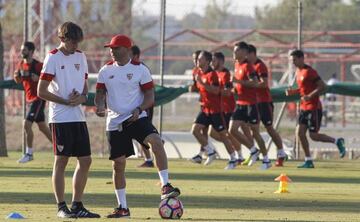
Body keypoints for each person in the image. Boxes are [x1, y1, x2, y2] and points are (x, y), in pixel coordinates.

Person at [95, 34, 180, 218]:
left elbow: (150, 96)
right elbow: (100, 93)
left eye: (115, 48)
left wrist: (139, 109)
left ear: (127, 49)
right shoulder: (105, 71)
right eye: (110, 48)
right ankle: (122, 207)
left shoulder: (141, 70)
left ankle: (165, 185)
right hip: (115, 122)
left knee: (156, 142)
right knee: (118, 165)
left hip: (137, 117)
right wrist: (100, 105)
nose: (112, 51)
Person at [37, 22, 100, 218]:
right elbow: (41, 91)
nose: (75, 45)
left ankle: (77, 206)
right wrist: (65, 101)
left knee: (86, 160)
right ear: (63, 39)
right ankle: (61, 207)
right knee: (61, 161)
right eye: (73, 41)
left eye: (77, 42)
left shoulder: (81, 56)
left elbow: (84, 87)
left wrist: (81, 98)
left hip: (78, 117)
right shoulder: (52, 58)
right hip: (60, 118)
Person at [286, 50, 346, 168]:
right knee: (299, 133)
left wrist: (310, 96)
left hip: (313, 108)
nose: (293, 63)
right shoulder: (298, 71)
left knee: (313, 136)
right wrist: (293, 92)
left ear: (301, 58)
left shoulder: (310, 72)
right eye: (292, 60)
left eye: (294, 60)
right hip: (303, 108)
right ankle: (308, 160)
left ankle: (337, 141)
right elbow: (303, 89)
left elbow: (322, 86)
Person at [229, 41, 271, 170]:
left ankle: (266, 160)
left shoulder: (249, 67)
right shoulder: (236, 64)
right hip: (240, 103)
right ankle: (253, 150)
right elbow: (240, 84)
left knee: (256, 133)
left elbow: (254, 83)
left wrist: (238, 81)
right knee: (232, 129)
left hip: (251, 104)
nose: (234, 53)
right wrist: (235, 88)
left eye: (236, 51)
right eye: (234, 51)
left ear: (243, 52)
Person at [247, 44, 287, 167]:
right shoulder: (248, 66)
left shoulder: (260, 66)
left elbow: (264, 84)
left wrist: (250, 84)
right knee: (253, 129)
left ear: (252, 54)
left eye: (246, 54)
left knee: (269, 128)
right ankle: (257, 153)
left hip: (264, 102)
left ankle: (281, 153)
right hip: (254, 102)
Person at [13, 41, 52, 163]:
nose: (21, 52)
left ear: (31, 51)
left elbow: (49, 79)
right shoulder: (20, 64)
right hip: (29, 100)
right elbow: (19, 81)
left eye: (24, 50)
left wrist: (39, 78)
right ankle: (60, 147)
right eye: (21, 50)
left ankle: (29, 154)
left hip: (38, 99)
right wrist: (16, 77)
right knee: (42, 127)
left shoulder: (38, 65)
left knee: (26, 124)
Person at [210, 52, 244, 164]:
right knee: (212, 133)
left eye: (214, 60)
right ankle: (233, 149)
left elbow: (228, 92)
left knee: (228, 133)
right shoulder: (214, 73)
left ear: (220, 61)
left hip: (227, 108)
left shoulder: (225, 74)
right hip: (218, 108)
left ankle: (239, 155)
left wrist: (215, 91)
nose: (212, 63)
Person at [130, 45, 154, 168]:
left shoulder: (142, 69)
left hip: (144, 108)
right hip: (135, 108)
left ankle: (150, 157)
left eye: (129, 54)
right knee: (138, 134)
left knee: (143, 133)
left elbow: (149, 91)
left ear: (135, 56)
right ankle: (148, 159)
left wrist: (142, 107)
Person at [188, 50, 212, 164]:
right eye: (194, 59)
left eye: (197, 59)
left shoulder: (210, 73)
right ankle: (204, 153)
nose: (195, 61)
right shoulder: (196, 71)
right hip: (204, 105)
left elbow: (215, 89)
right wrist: (193, 88)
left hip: (214, 107)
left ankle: (210, 152)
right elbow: (196, 86)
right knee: (201, 130)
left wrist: (200, 84)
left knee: (224, 134)